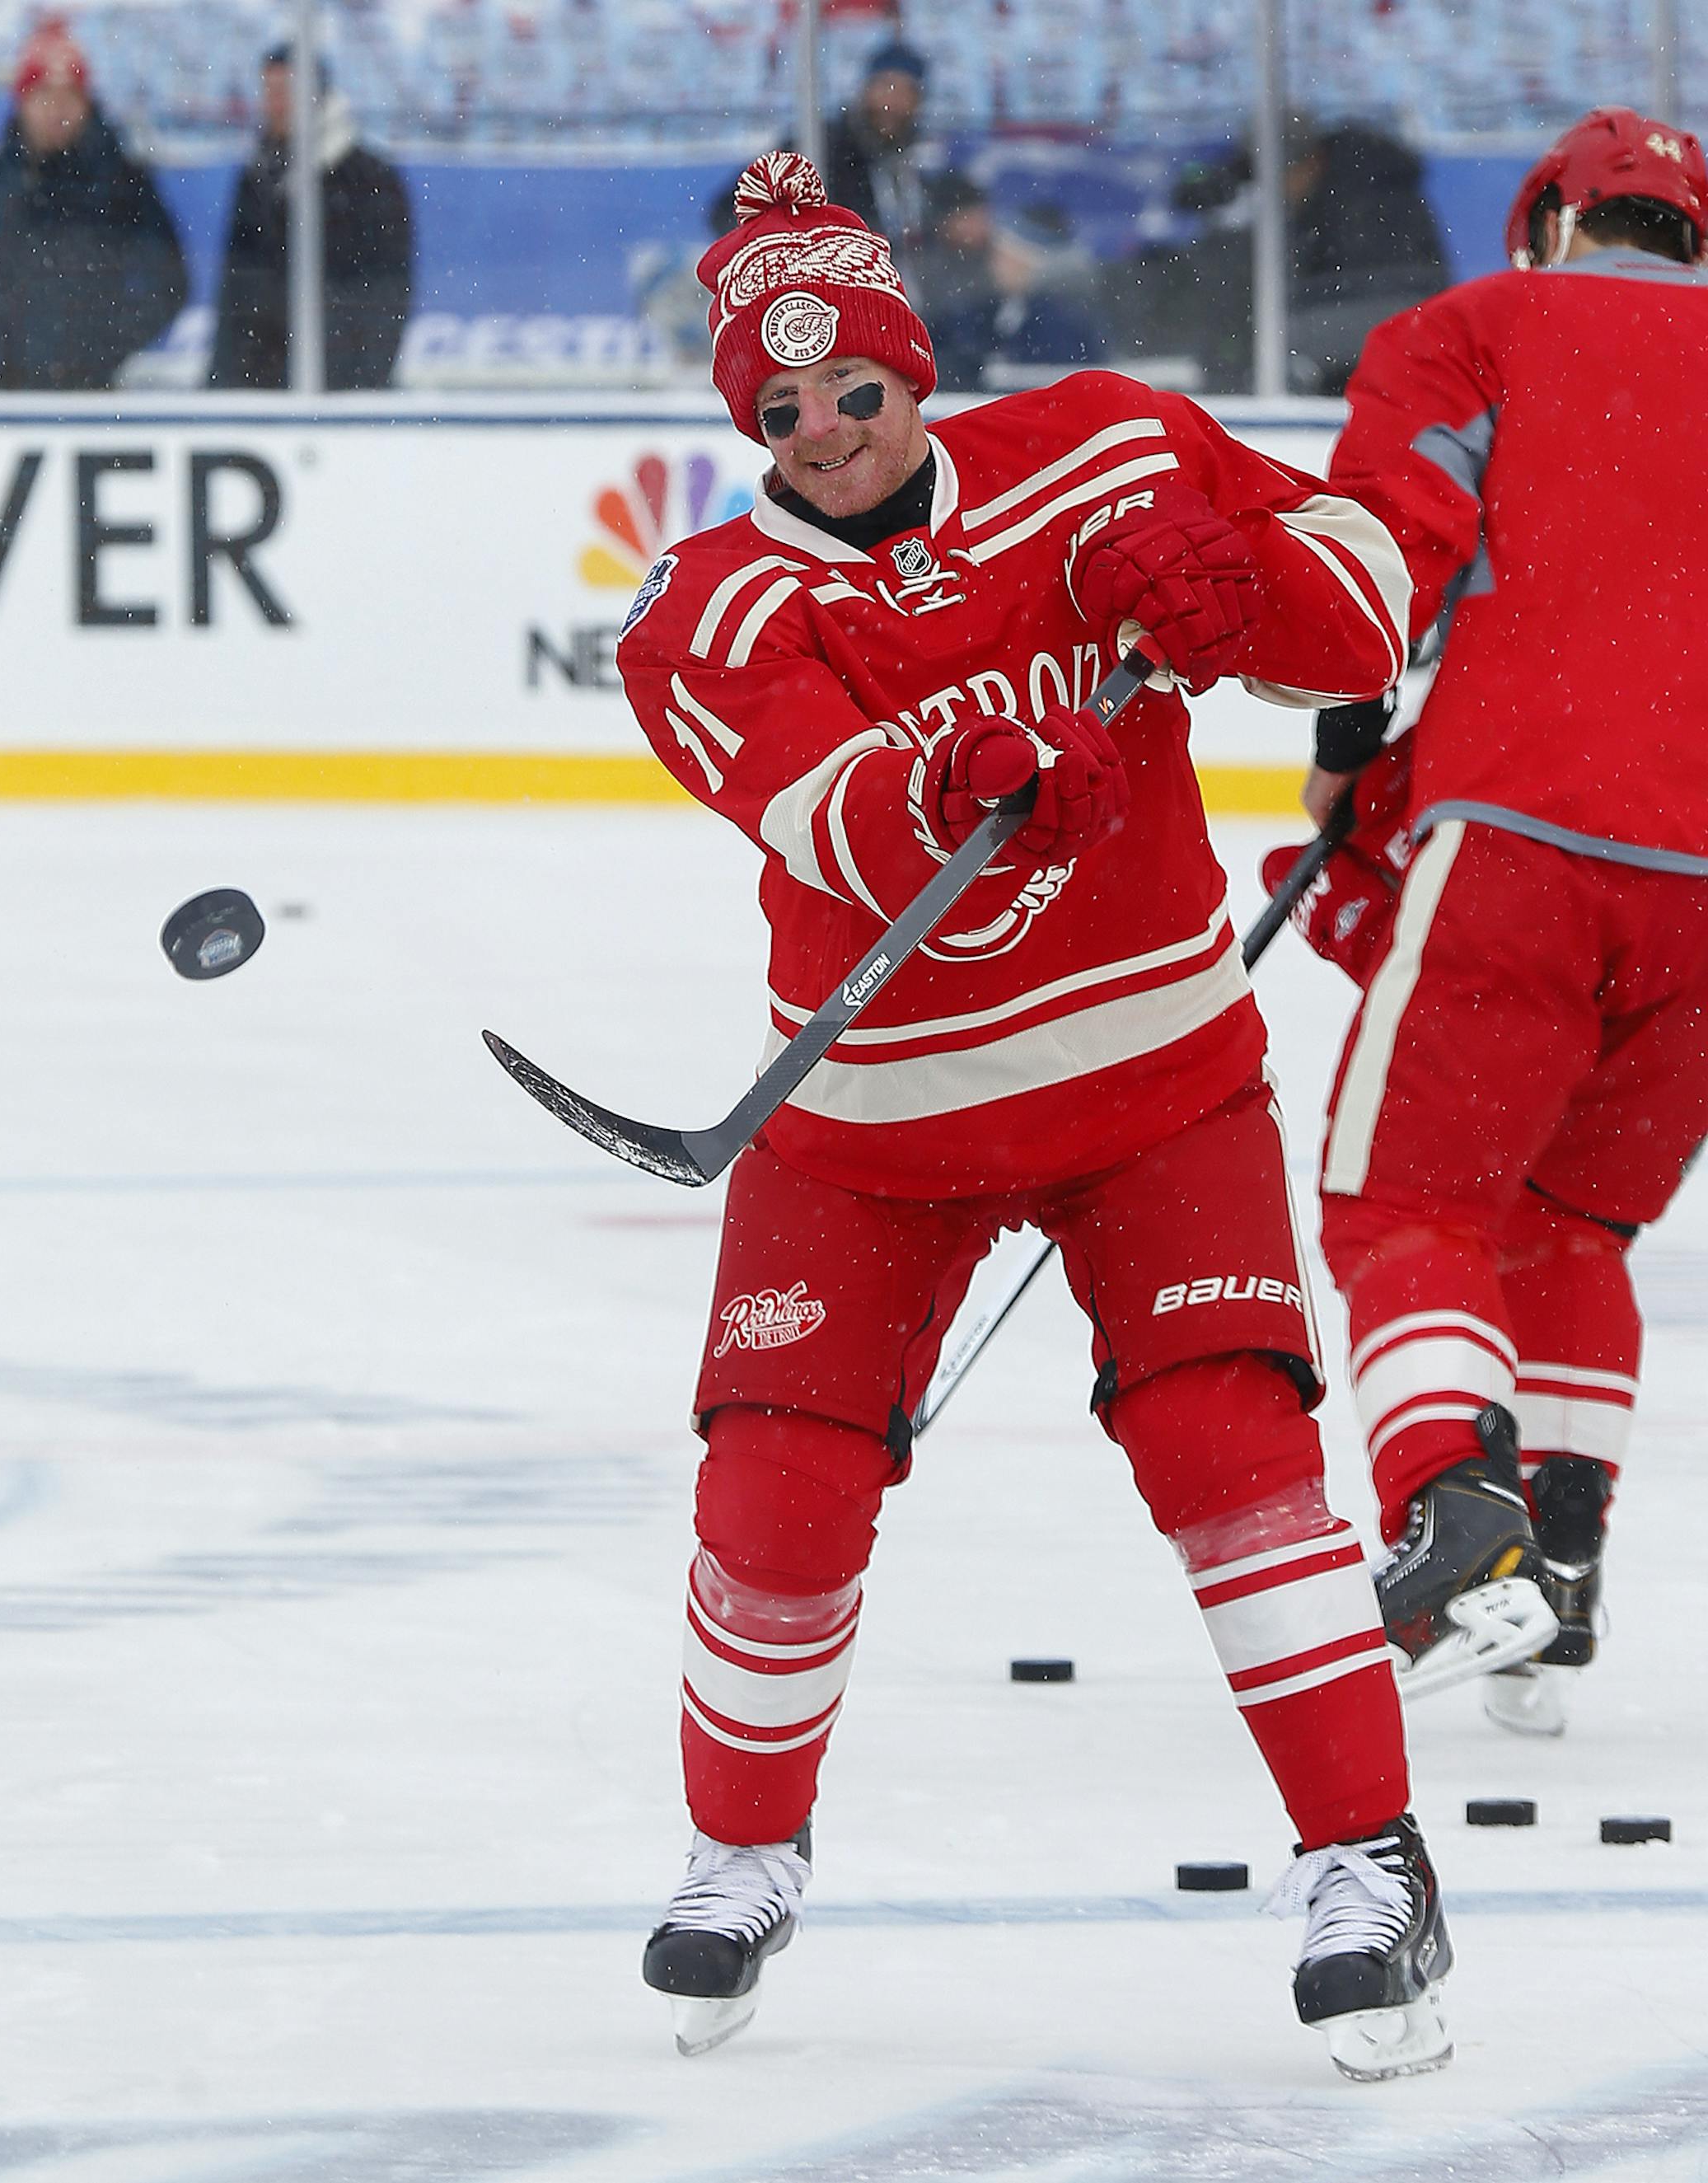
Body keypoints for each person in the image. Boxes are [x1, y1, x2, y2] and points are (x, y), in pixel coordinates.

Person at [615, 149, 1453, 2079]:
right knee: (776, 1488)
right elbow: (817, 805)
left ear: (913, 366)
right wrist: (953, 775)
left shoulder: (1103, 448)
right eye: (782, 410)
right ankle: (741, 1849)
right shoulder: (706, 609)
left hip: (1149, 1080)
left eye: (856, 388)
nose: (828, 431)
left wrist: (1235, 593)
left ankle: (1369, 1858)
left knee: (1229, 1450)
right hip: (869, 1122)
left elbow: (1364, 609)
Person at [1278, 108, 1708, 1736]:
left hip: (1529, 835)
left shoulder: (1476, 327)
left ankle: (1456, 1513)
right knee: (1569, 1222)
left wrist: (1344, 758)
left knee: (1405, 1205)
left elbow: (1382, 564)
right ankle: (1561, 1568)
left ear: (1554, 221)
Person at [0, 18, 185, 391]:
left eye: (69, 97)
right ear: (22, 100)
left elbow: (168, 283)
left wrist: (94, 351)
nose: (56, 110)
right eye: (43, 95)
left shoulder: (120, 187)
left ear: (86, 104)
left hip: (73, 400)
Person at [1164, 117, 1449, 395]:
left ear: (1313, 161)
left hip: (1396, 319)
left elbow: (1352, 297)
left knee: (1267, 338)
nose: (1276, 191)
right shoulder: (1337, 178)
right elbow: (1204, 190)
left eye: (1281, 176)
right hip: (1368, 323)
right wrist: (1223, 181)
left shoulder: (1364, 204)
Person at [208, 44, 413, 391]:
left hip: (338, 390)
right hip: (262, 388)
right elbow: (236, 295)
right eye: (268, 91)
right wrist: (224, 384)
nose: (274, 104)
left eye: (284, 91)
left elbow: (386, 297)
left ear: (316, 96)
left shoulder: (369, 179)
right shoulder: (258, 176)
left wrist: (356, 388)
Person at [921, 179, 1107, 390]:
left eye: (1005, 256)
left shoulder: (1056, 320)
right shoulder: (980, 304)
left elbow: (1079, 273)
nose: (994, 263)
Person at [821, 40, 938, 287]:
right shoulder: (825, 149)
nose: (893, 102)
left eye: (907, 92)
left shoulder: (920, 160)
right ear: (866, 90)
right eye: (886, 87)